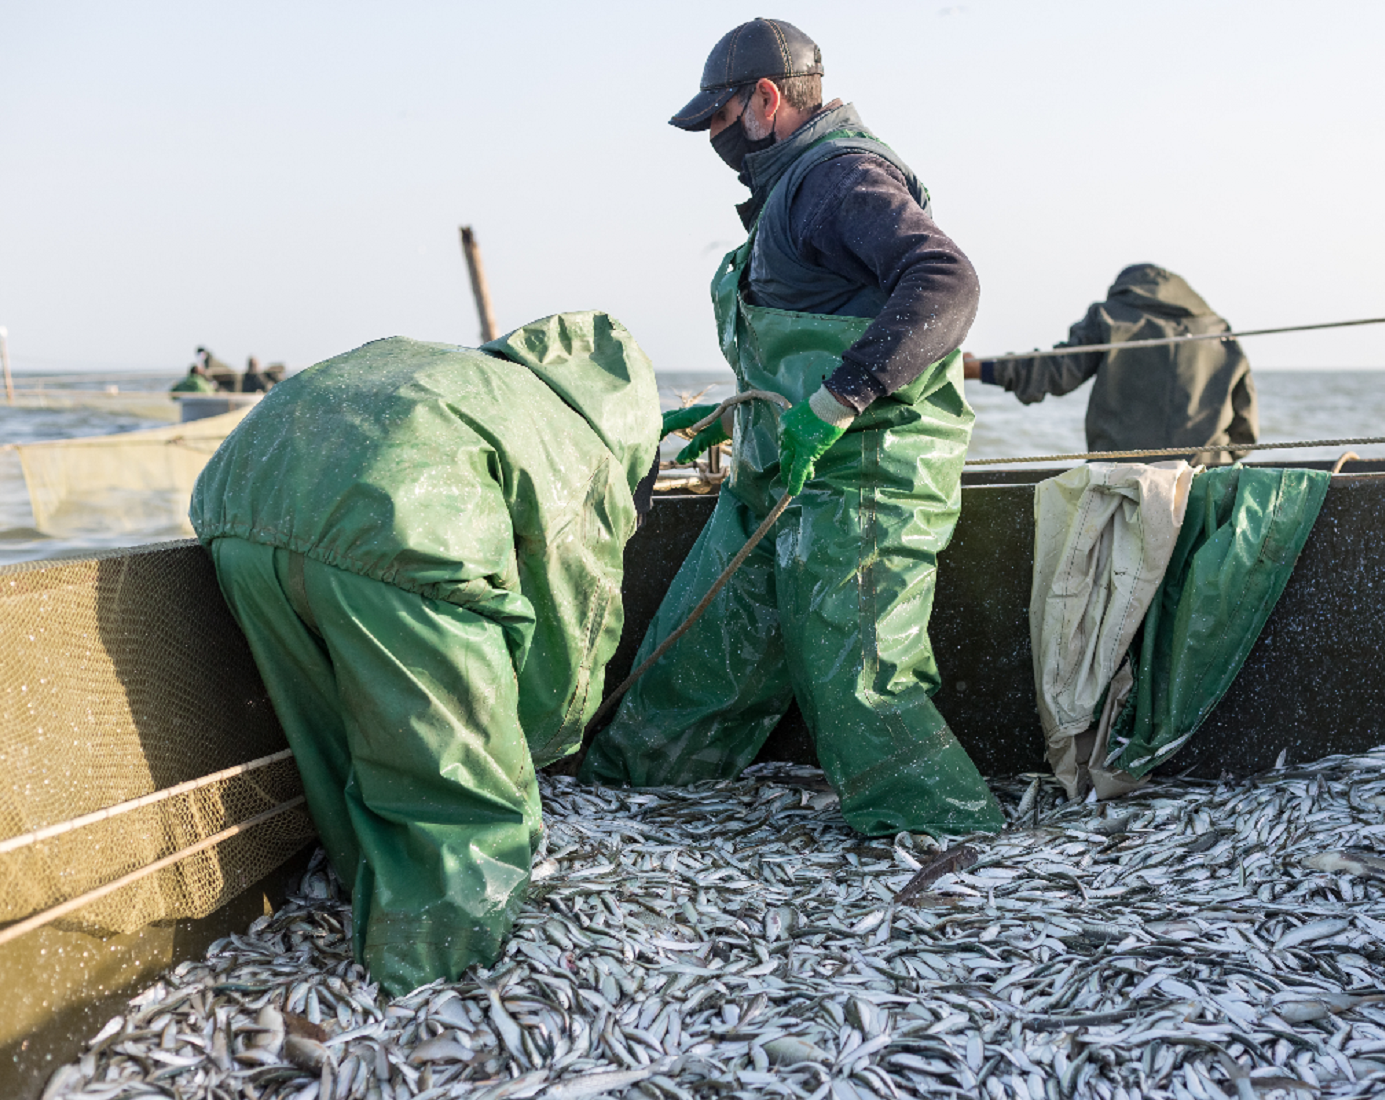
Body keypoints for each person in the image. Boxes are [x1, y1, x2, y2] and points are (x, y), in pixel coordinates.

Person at [580, 19, 1004, 837]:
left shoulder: (840, 176)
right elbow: (818, 320)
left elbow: (946, 283)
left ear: (767, 100)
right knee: (697, 651)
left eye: (718, 115)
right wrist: (734, 413)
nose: (712, 135)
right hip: (775, 477)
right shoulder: (792, 188)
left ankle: (946, 841)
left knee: (859, 678)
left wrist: (835, 403)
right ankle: (626, 803)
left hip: (859, 480)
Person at [189, 311, 662, 994]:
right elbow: (573, 623)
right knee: (456, 792)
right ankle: (437, 975)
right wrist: (530, 747)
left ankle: (369, 890)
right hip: (401, 534)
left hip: (240, 517)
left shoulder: (477, 380)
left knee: (333, 746)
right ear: (629, 424)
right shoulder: (576, 448)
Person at [965, 264, 1256, 466]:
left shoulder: (1111, 317)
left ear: (1124, 290)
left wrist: (980, 369)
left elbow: (1056, 371)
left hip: (1122, 482)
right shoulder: (1220, 331)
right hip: (1206, 480)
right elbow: (1245, 435)